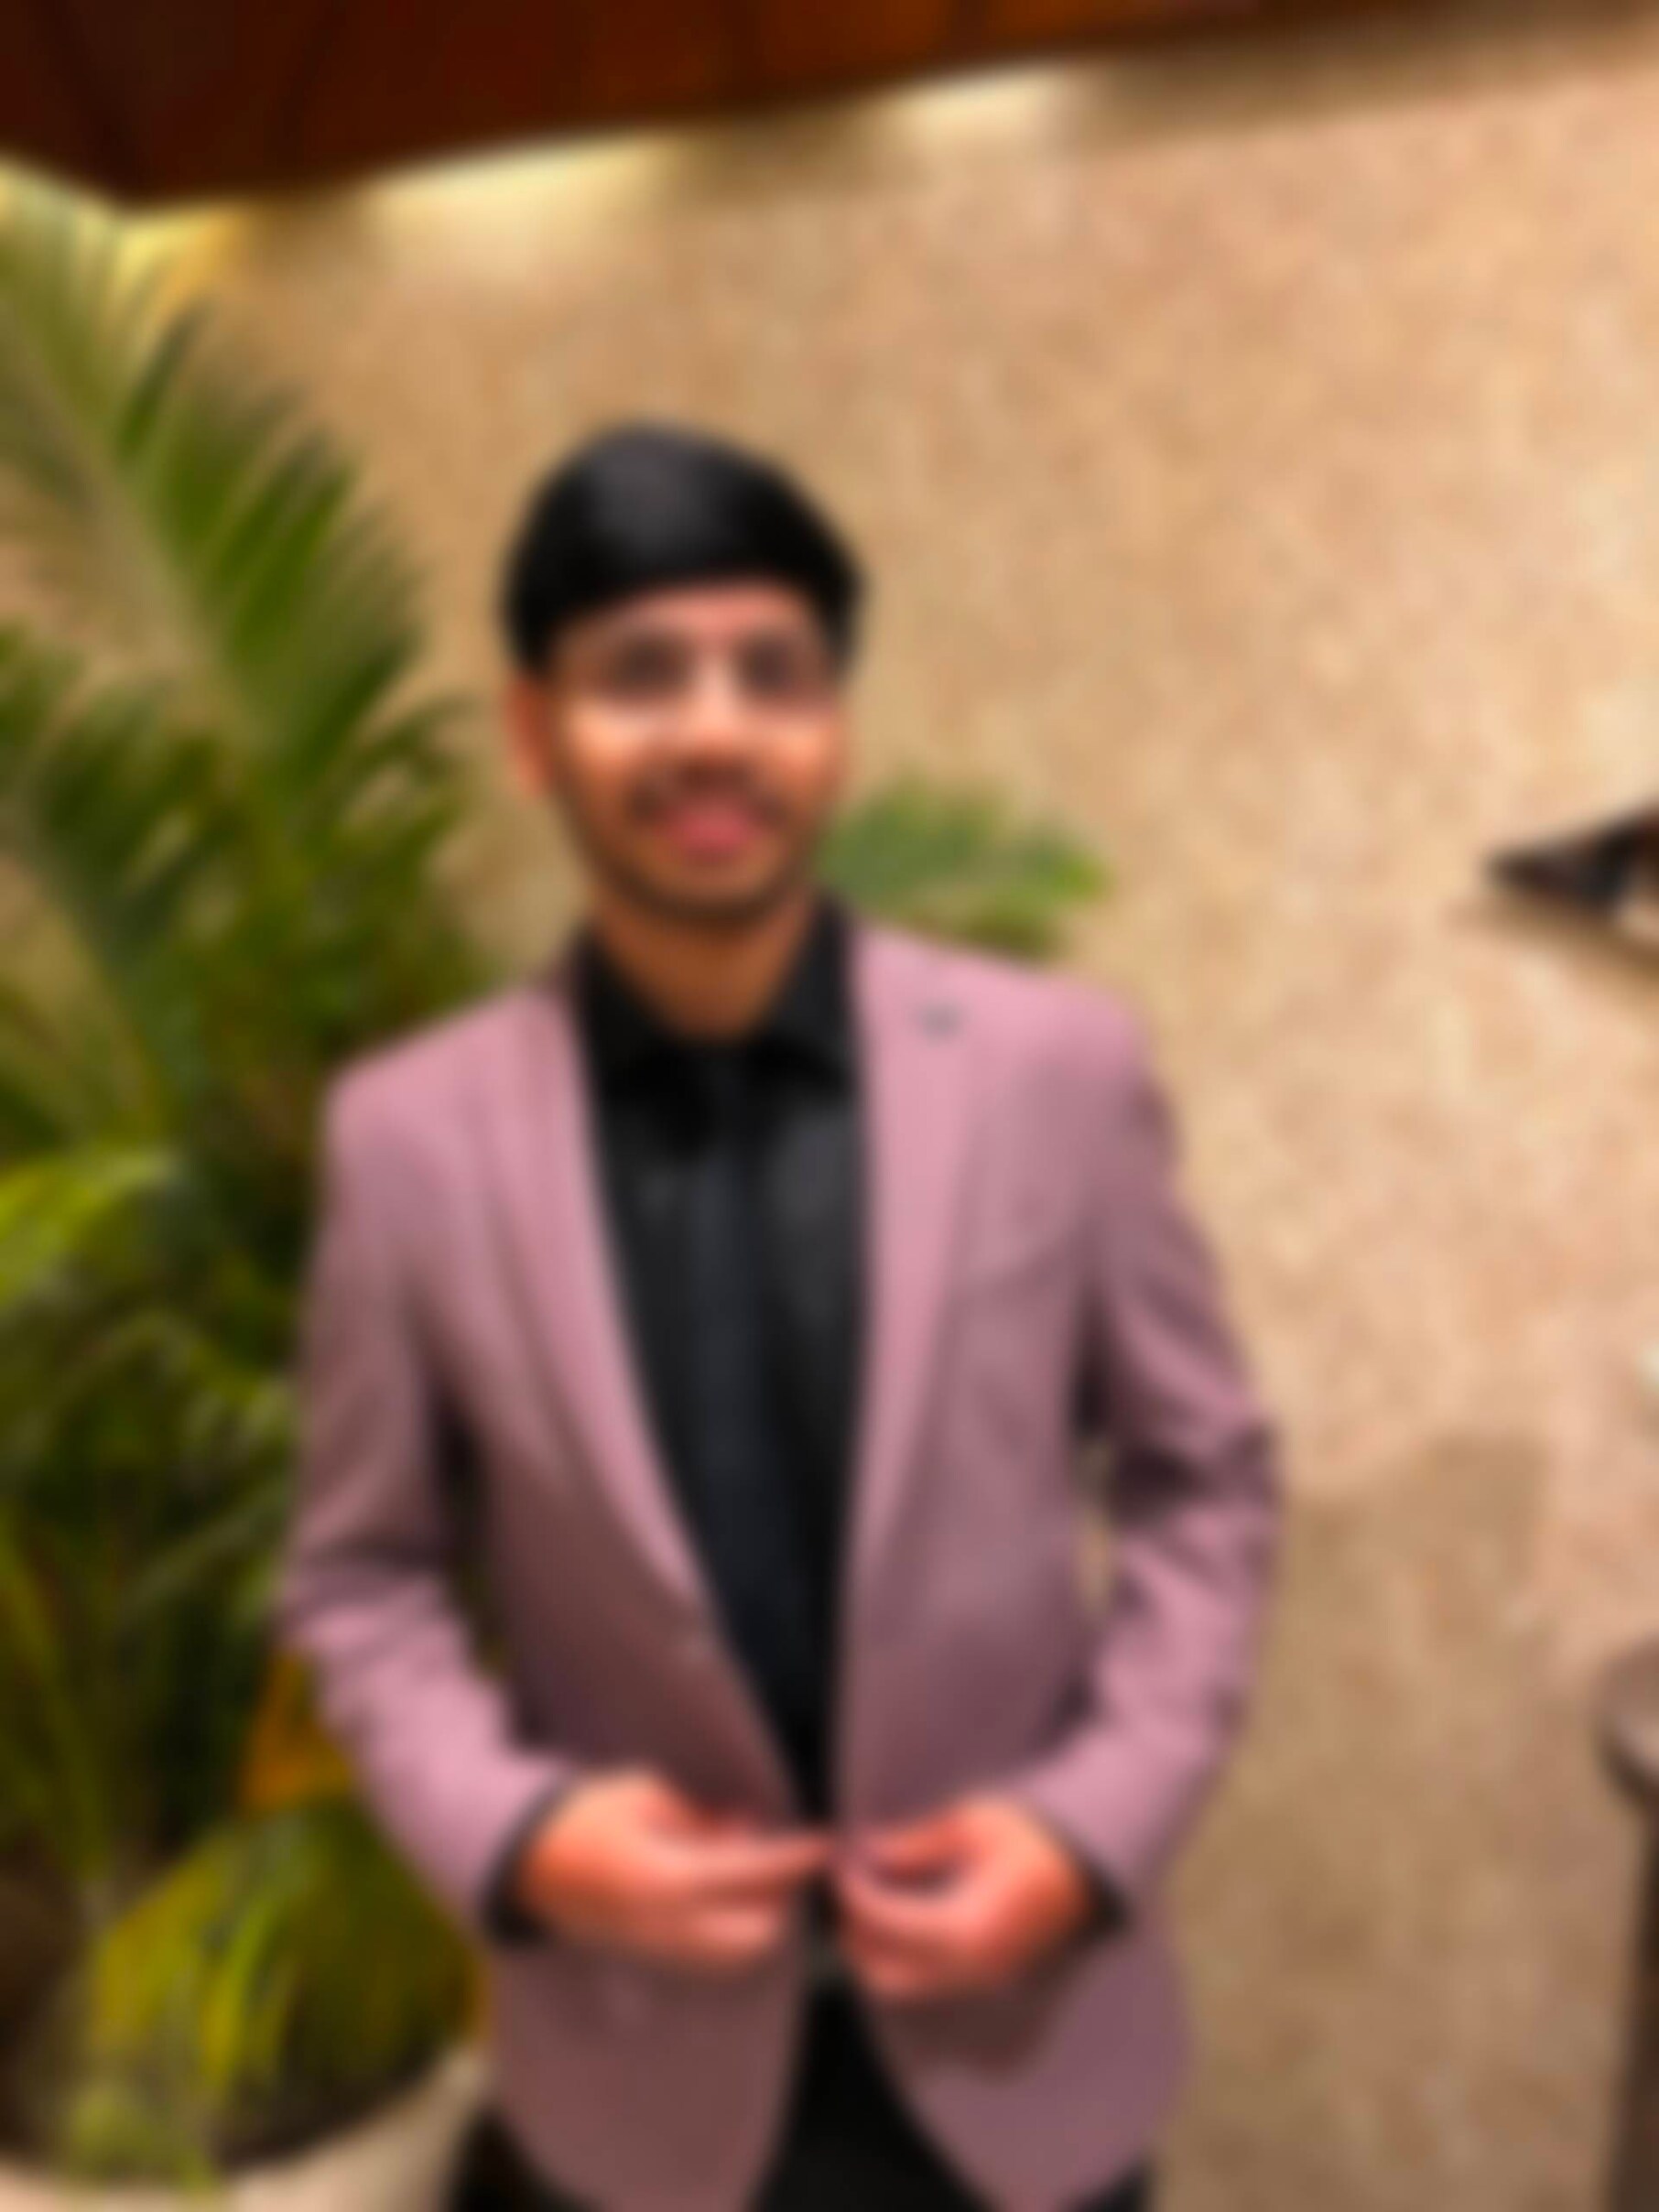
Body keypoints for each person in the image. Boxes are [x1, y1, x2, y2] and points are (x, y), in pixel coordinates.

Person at [273, 419, 1285, 2211]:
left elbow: (1205, 1485)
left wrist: (1091, 1827)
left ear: (835, 730)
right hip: (630, 2075)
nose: (716, 730)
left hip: (1021, 2049)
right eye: (640, 674)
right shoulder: (408, 1138)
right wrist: (518, 1834)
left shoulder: (1056, 1071)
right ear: (534, 733)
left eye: (775, 672)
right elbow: (364, 1573)